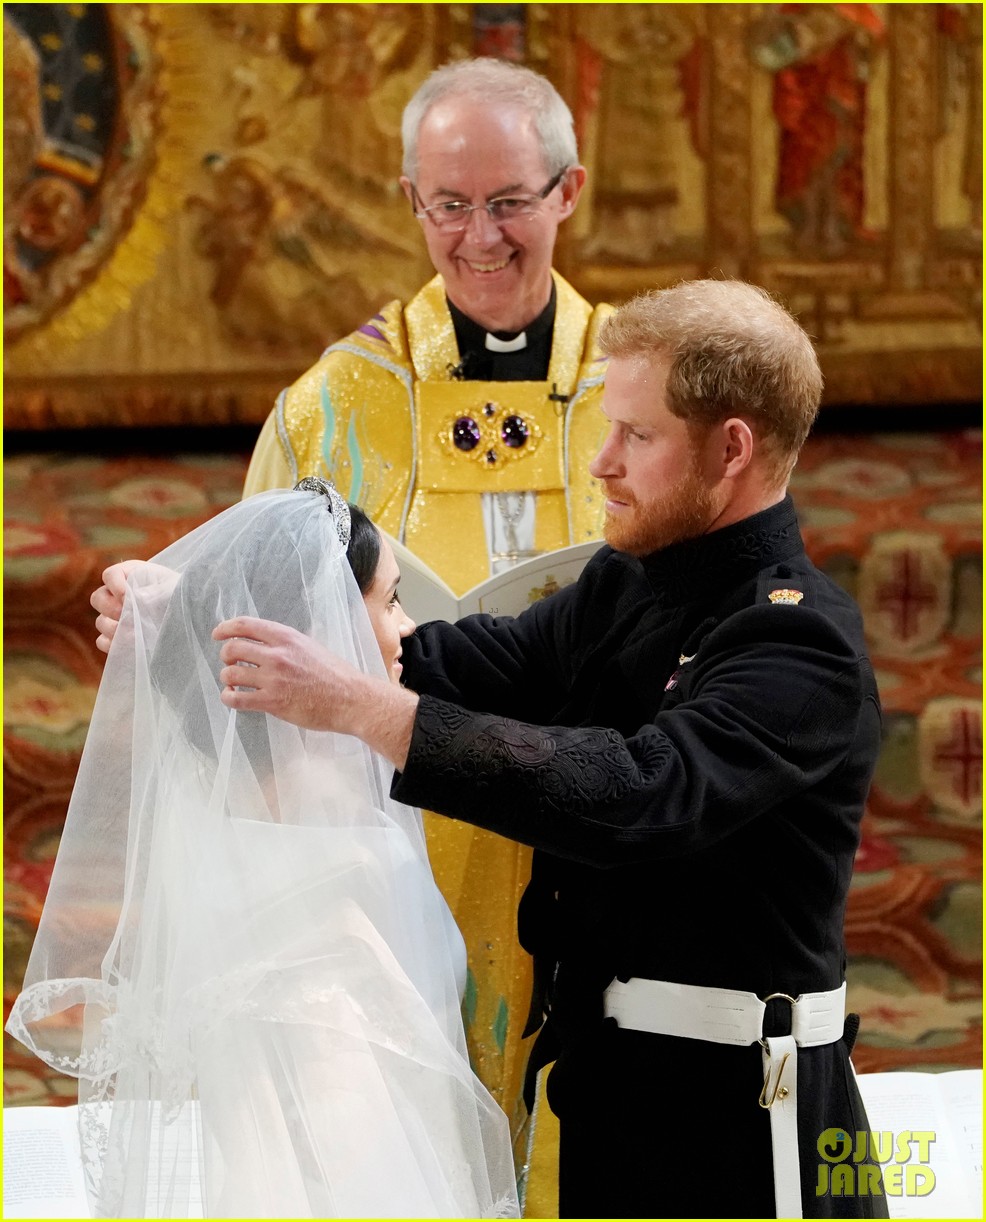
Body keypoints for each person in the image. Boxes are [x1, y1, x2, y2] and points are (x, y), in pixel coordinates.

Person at [206, 280, 890, 1220]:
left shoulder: (799, 642)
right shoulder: (632, 580)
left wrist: (365, 709)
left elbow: (638, 794)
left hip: (744, 1117)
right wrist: (190, 621)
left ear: (732, 449)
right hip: (616, 1097)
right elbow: (477, 665)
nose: (603, 462)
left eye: (636, 436)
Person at [96, 58, 614, 1193]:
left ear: (567, 191)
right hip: (396, 829)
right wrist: (168, 608)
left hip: (599, 811)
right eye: (448, 204)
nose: (478, 237)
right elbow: (249, 626)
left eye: (508, 202)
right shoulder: (333, 404)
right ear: (409, 199)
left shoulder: (643, 382)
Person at [9, 480, 519, 1219]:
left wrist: (192, 616)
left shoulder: (249, 780)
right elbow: (334, 1125)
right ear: (321, 625)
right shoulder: (323, 815)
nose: (408, 629)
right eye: (390, 602)